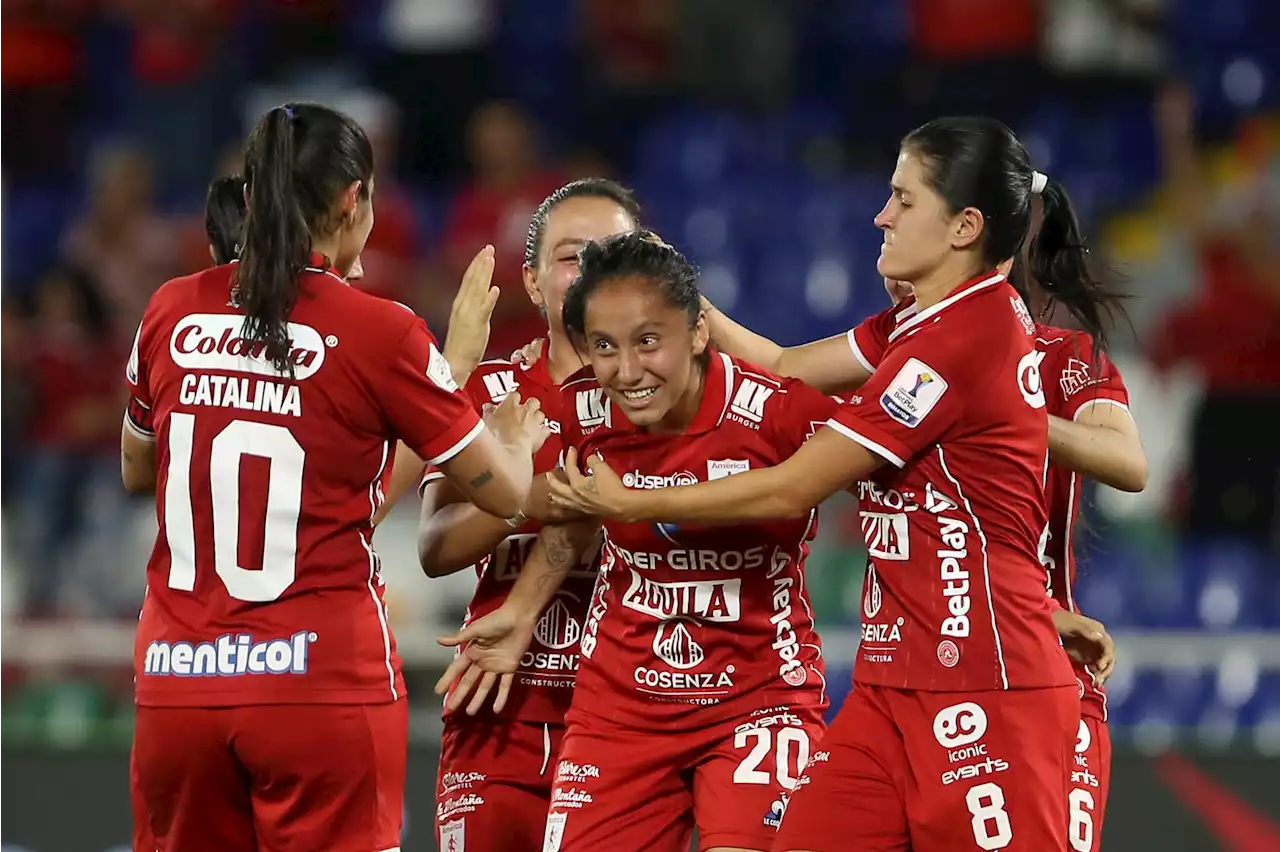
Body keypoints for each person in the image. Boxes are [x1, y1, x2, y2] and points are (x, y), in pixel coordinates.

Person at [546, 118, 1113, 851]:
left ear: (964, 227)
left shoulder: (963, 338)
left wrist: (632, 503)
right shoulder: (911, 326)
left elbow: (791, 488)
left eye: (904, 200)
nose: (883, 214)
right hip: (890, 686)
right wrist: (687, 310)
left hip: (982, 684)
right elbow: (783, 368)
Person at [119, 102, 548, 852]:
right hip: (319, 686)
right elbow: (503, 494)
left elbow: (137, 469)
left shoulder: (168, 310)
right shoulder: (382, 331)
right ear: (354, 199)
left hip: (178, 682)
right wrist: (498, 420)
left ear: (251, 199)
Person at [438, 230, 836, 852]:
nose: (627, 372)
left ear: (699, 332)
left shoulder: (782, 413)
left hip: (758, 698)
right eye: (603, 347)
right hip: (618, 705)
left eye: (648, 342)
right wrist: (520, 610)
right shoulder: (584, 410)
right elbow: (574, 509)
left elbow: (867, 479)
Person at [417, 178, 642, 852]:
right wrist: (532, 487)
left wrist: (519, 489)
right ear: (533, 282)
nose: (595, 268)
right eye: (573, 255)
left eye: (614, 251)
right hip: (498, 705)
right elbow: (435, 546)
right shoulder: (490, 390)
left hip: (628, 707)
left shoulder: (668, 396)